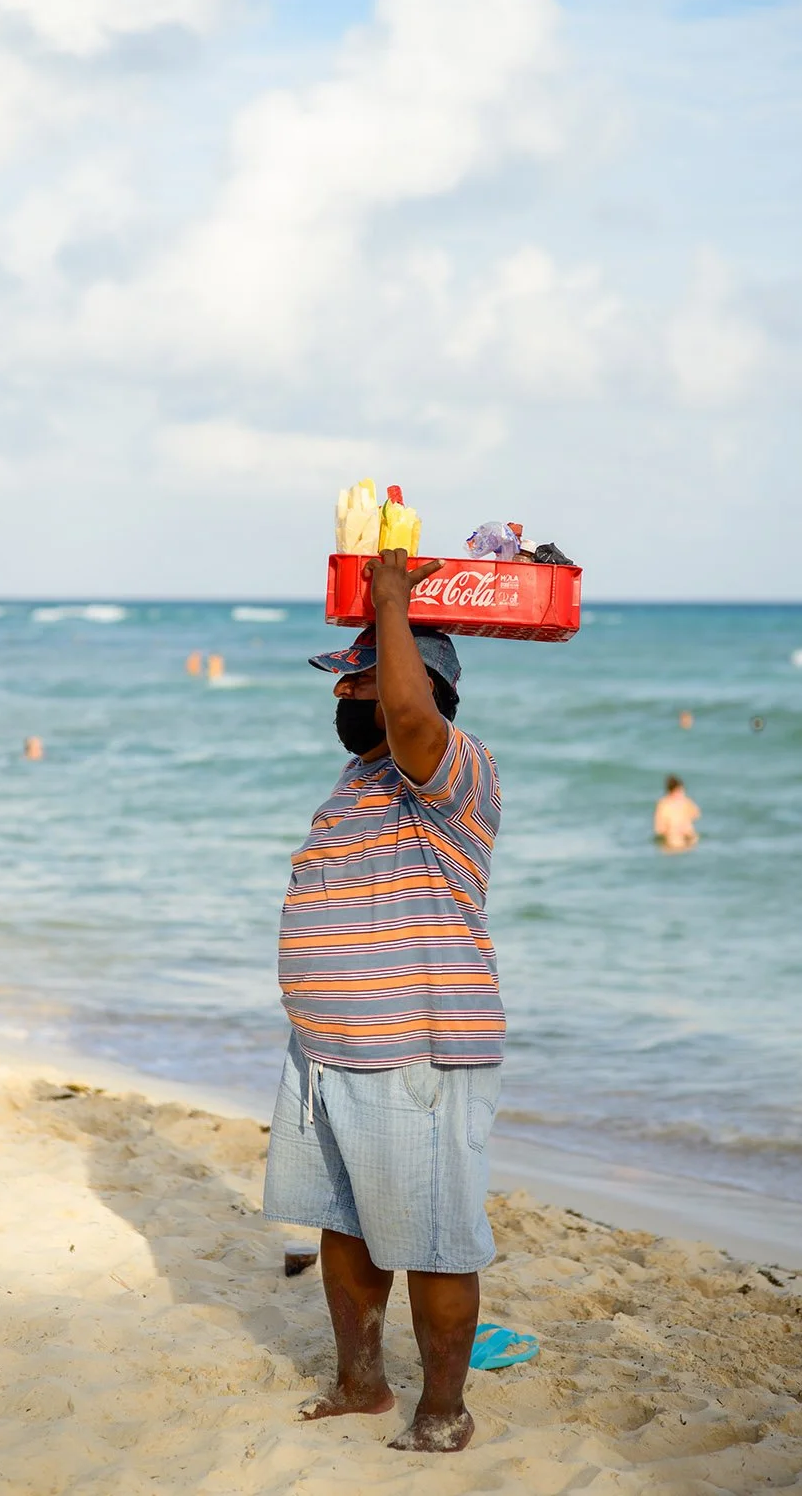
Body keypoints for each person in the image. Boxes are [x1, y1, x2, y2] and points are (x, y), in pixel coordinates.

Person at [263, 548, 504, 1454]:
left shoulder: (454, 773)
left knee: (436, 1239)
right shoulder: (360, 781)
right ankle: (360, 1384)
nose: (340, 697)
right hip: (328, 1054)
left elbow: (411, 712)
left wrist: (394, 601)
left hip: (416, 1055)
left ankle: (443, 1410)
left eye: (355, 681)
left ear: (414, 686)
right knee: (345, 1223)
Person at [654, 775, 700, 852]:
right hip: (686, 834)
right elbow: (696, 814)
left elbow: (659, 827)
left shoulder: (663, 803)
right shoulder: (685, 801)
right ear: (677, 789)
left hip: (673, 837)